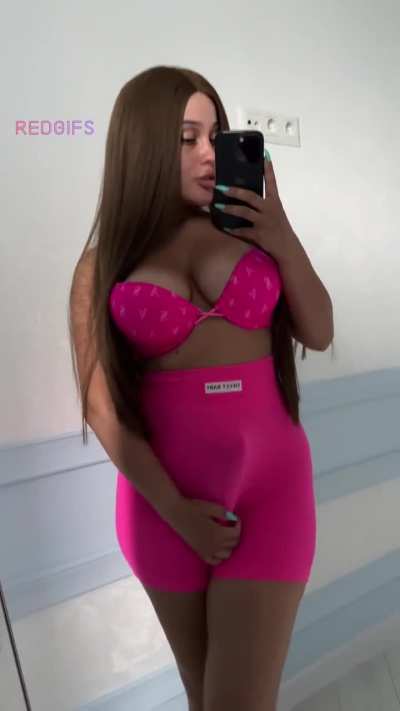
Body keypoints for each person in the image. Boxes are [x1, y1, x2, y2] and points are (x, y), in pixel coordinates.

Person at [68, 65, 334, 711]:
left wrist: (282, 235)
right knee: (203, 696)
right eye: (188, 138)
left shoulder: (253, 236)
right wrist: (177, 511)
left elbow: (320, 331)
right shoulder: (102, 264)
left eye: (218, 135)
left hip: (270, 491)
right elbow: (100, 406)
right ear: (142, 146)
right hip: (163, 507)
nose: (210, 153)